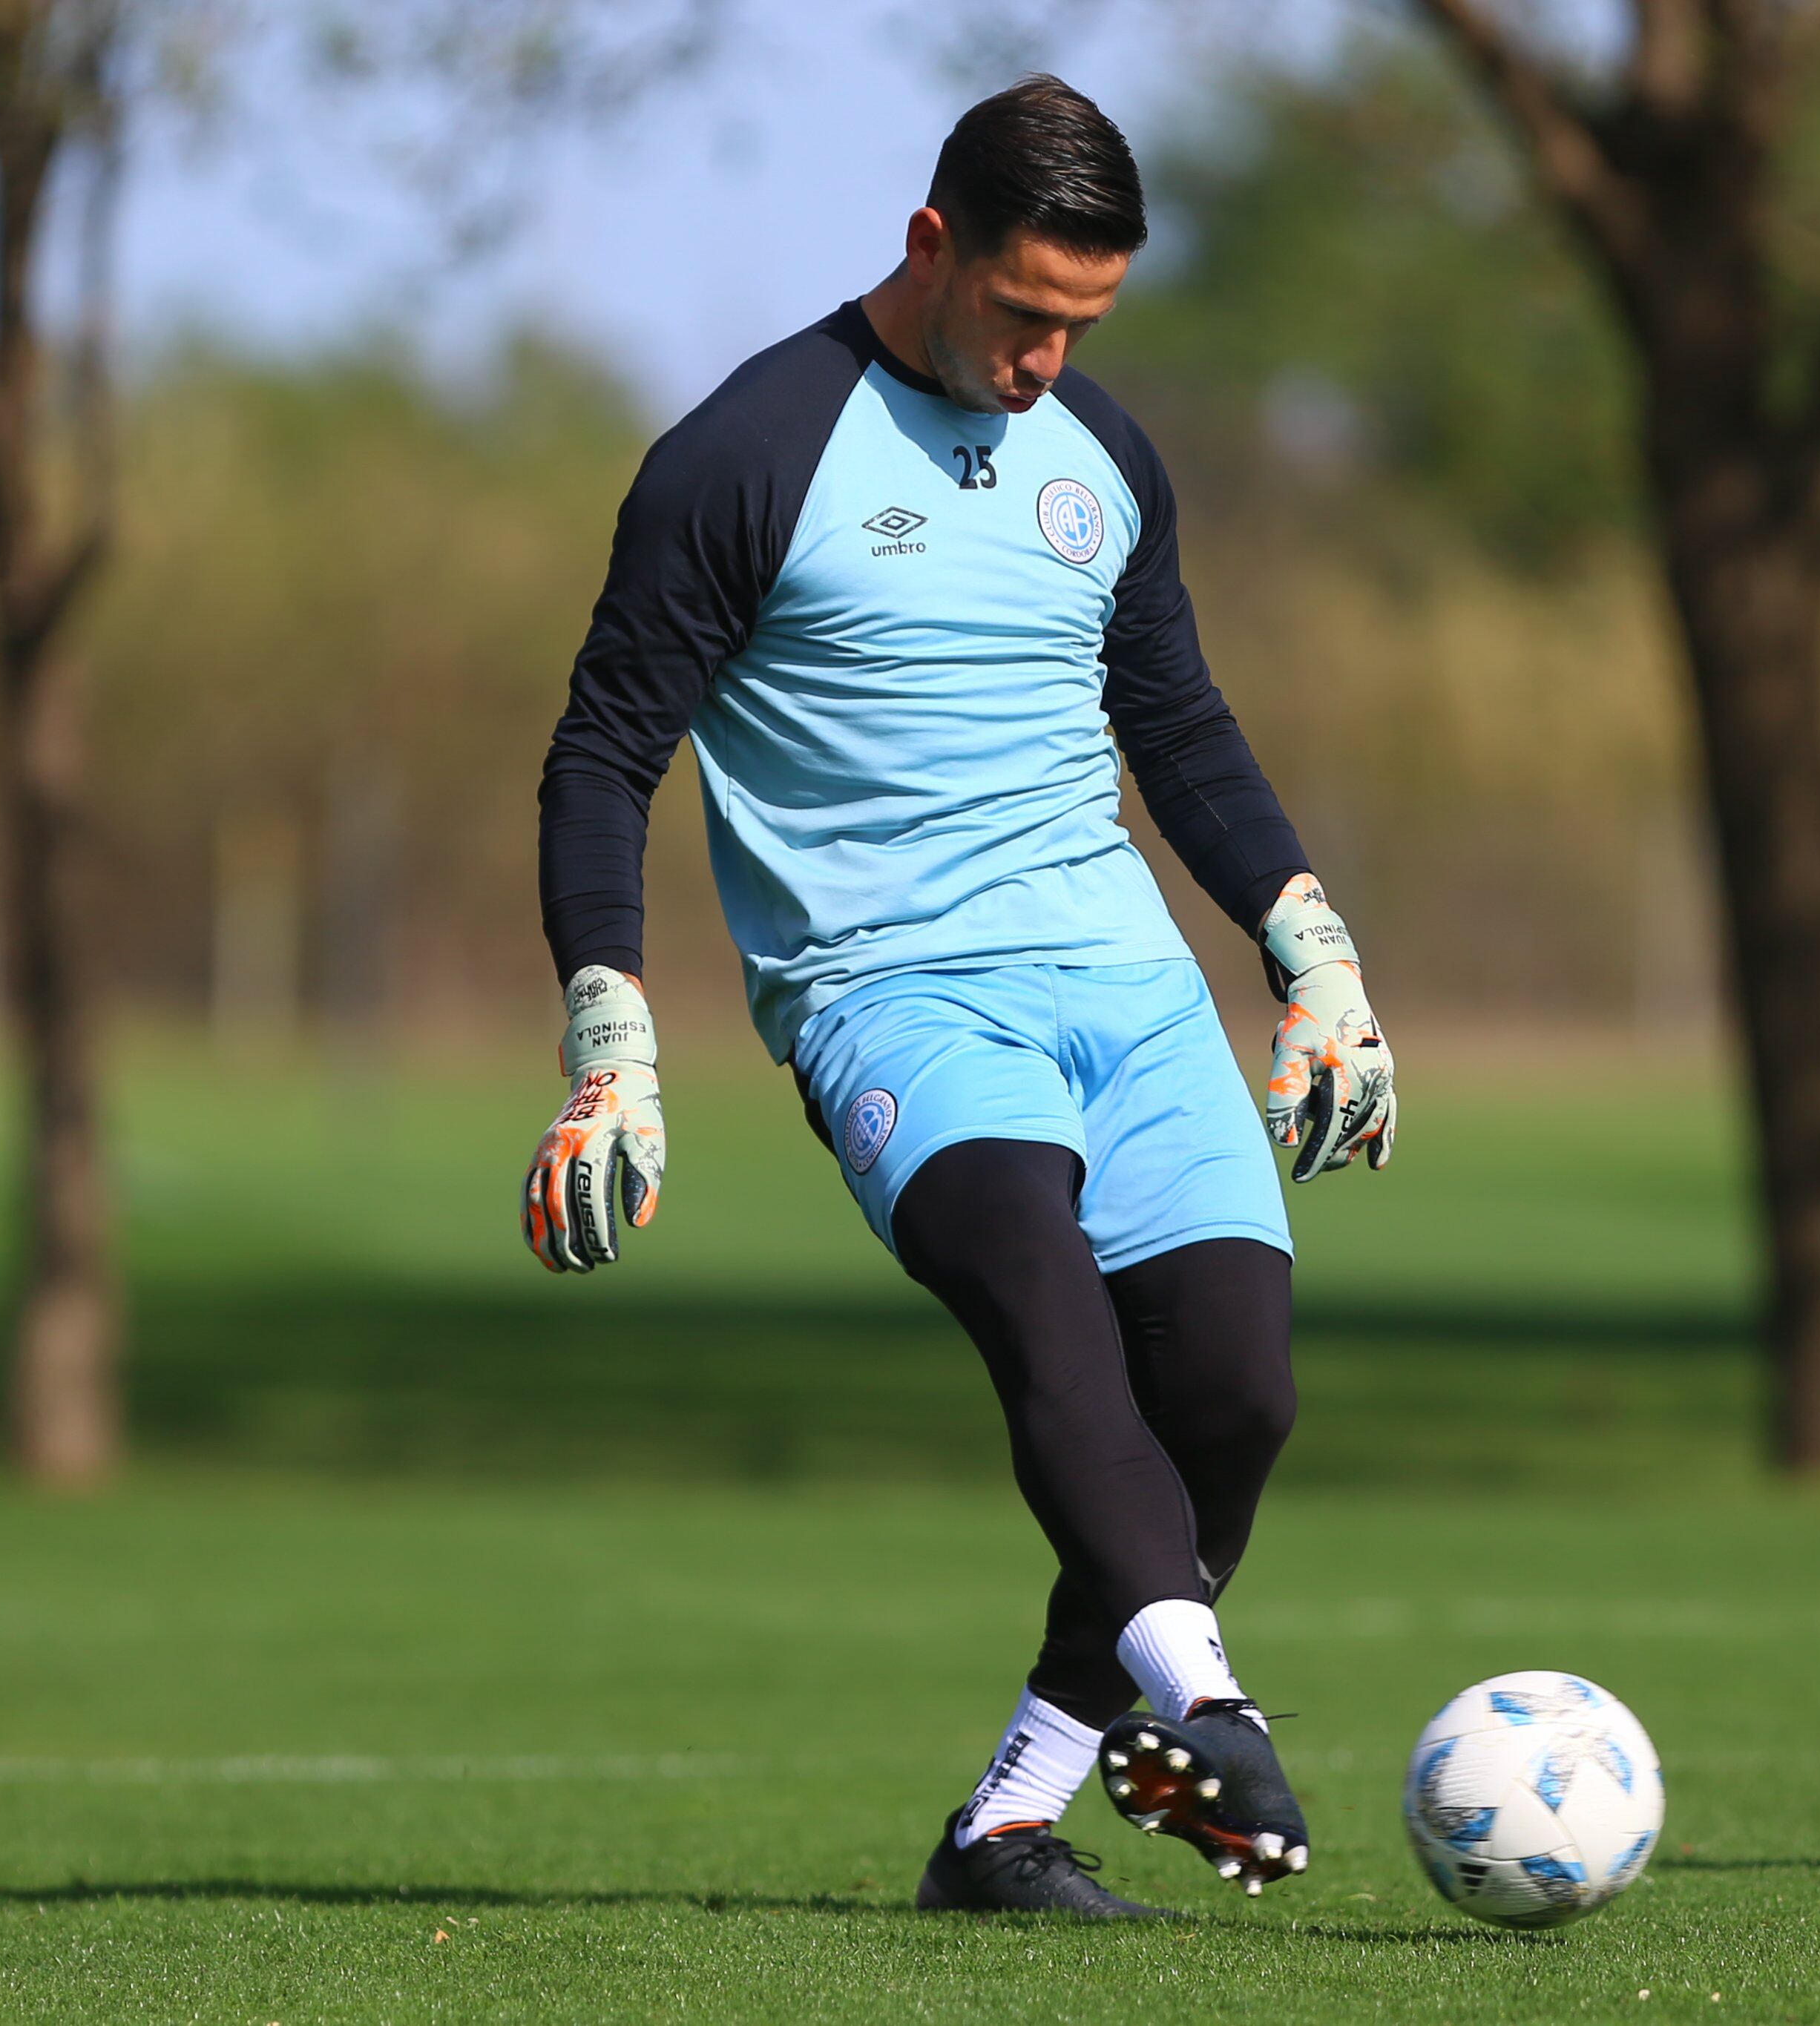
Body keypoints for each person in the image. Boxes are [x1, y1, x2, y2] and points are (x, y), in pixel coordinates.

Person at [522, 76, 1396, 1919]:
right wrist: (612, 1039)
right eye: (1022, 316)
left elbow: (1178, 726)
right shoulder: (745, 455)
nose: (1046, 361)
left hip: (1128, 988)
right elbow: (601, 755)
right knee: (1044, 1317)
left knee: (1233, 1396)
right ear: (932, 245)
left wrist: (1308, 953)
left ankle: (1007, 1827)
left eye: (1084, 326)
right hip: (892, 995)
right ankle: (1207, 1708)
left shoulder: (1106, 459)